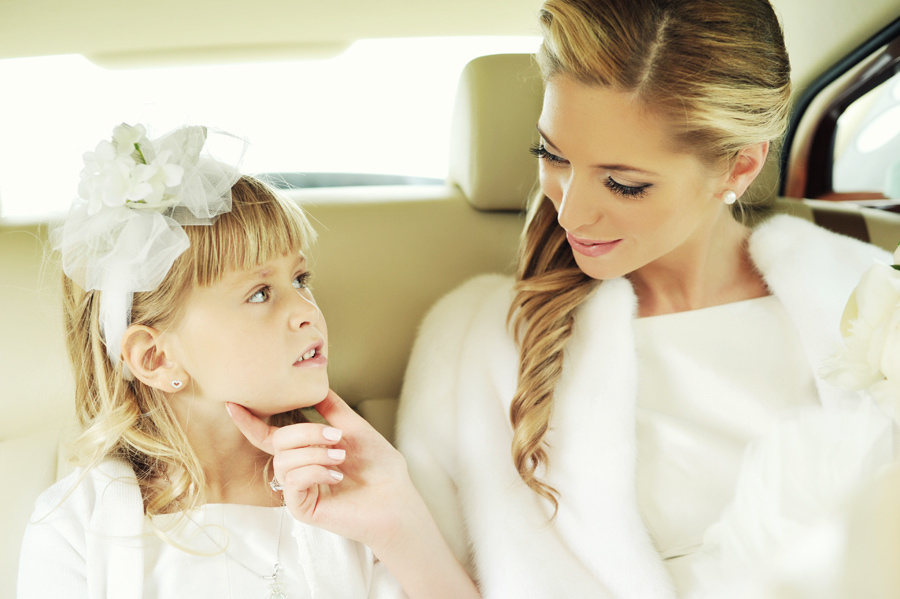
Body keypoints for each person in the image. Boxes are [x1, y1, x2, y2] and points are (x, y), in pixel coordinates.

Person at [396, 0, 896, 597]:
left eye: (623, 184)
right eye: (551, 156)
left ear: (739, 167)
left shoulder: (872, 300)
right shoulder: (475, 345)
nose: (570, 212)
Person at [18, 123, 479, 599]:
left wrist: (401, 523)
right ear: (156, 358)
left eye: (300, 279)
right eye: (260, 293)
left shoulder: (351, 491)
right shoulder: (76, 529)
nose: (307, 311)